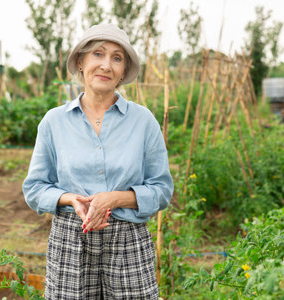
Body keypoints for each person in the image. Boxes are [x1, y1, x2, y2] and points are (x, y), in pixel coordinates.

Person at [23, 23, 173, 299]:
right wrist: (70, 199)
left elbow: (161, 189)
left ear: (123, 71)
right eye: (98, 54)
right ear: (81, 62)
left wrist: (114, 199)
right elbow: (34, 189)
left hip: (128, 238)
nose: (106, 65)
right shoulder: (54, 122)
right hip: (70, 237)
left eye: (117, 58)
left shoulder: (143, 121)